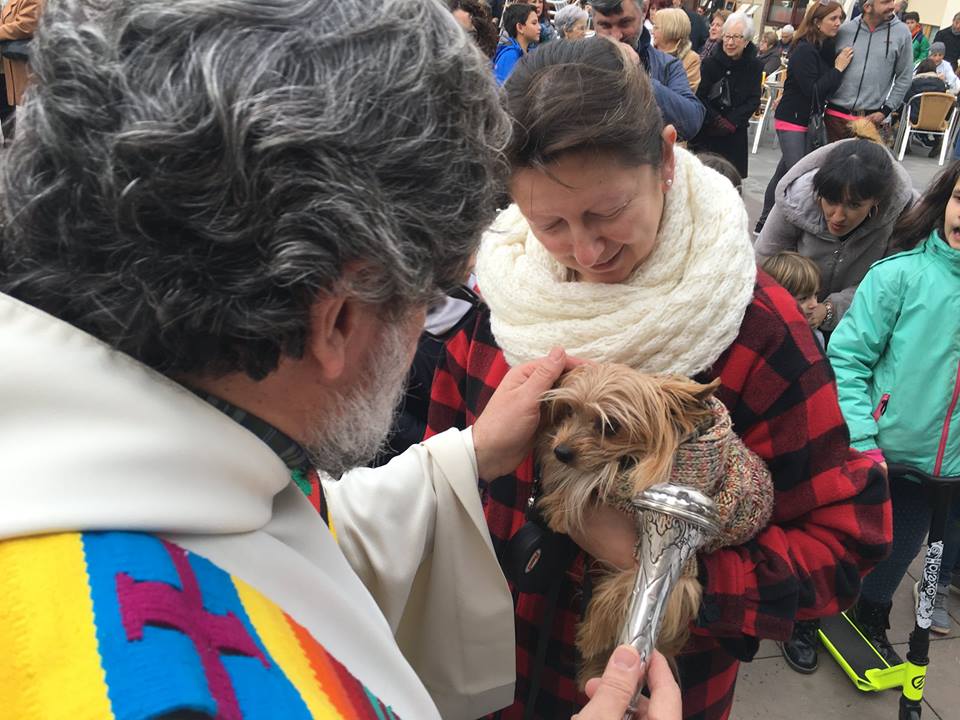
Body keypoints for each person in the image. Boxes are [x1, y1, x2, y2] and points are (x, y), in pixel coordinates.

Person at [0, 2, 675, 719]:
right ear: (339, 319)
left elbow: (276, 543)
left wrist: (465, 456)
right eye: (431, 296)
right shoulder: (164, 695)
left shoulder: (157, 458)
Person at [424, 36, 891, 720]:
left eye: (608, 212)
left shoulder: (755, 328)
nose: (585, 251)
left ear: (667, 158)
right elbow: (440, 479)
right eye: (548, 222)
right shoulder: (500, 304)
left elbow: (847, 541)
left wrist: (673, 571)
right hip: (485, 675)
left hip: (657, 692)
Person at [827, 160, 960, 660]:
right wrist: (862, 437)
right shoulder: (900, 276)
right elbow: (847, 358)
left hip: (945, 468)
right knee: (851, 538)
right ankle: (813, 611)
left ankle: (871, 612)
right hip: (886, 449)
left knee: (903, 544)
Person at [756, 121, 914, 344]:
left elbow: (890, 286)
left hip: (864, 321)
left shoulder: (904, 214)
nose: (838, 216)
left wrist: (830, 310)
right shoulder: (794, 200)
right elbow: (764, 261)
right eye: (830, 201)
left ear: (876, 201)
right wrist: (791, 305)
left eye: (854, 205)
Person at [756, 0, 852, 233]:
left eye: (840, 18)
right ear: (817, 22)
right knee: (798, 174)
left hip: (806, 118)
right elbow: (814, 90)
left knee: (784, 172)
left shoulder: (826, 47)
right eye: (833, 18)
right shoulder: (804, 49)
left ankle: (763, 222)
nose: (838, 23)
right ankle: (786, 224)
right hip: (792, 118)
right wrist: (838, 69)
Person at [589, 0, 706, 140]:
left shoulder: (668, 65)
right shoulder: (574, 59)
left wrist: (639, 77)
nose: (615, 37)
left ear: (644, 11)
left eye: (625, 23)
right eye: (605, 25)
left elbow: (691, 123)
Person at [825, 0, 913, 142]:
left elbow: (905, 76)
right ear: (867, 7)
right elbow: (825, 68)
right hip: (835, 117)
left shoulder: (902, 33)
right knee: (833, 164)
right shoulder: (844, 30)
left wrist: (886, 111)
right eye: (885, 2)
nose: (892, 6)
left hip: (870, 121)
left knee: (865, 165)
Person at [692, 11, 763, 178]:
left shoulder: (754, 66)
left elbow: (753, 100)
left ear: (746, 41)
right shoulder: (710, 63)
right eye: (727, 36)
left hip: (734, 134)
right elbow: (700, 96)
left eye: (736, 37)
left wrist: (731, 122)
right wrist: (716, 119)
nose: (730, 42)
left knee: (730, 182)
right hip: (709, 133)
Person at [761, 252, 825, 348]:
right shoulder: (758, 337)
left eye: (815, 295)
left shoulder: (815, 339)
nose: (815, 304)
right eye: (803, 298)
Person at [0, 0, 41, 108]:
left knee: (27, 109)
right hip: (11, 67)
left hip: (26, 66)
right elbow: (4, 20)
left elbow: (26, 25)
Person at [652, 7, 701, 90]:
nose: (652, 32)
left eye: (656, 27)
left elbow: (682, 97)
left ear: (670, 29)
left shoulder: (692, 59)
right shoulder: (649, 52)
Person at [495, 3, 540, 84]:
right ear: (520, 27)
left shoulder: (529, 54)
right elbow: (503, 92)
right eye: (534, 23)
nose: (539, 27)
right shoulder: (509, 56)